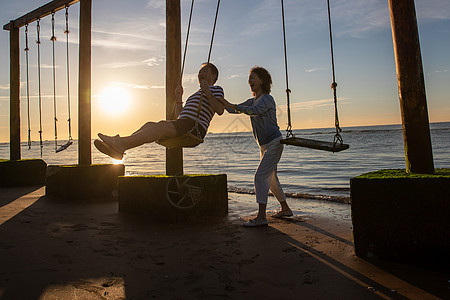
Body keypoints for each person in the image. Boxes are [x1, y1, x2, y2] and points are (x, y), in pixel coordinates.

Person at [94, 63, 225, 160]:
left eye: (204, 71)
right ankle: (120, 148)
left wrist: (207, 91)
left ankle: (120, 143)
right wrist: (179, 97)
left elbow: (220, 110)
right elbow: (180, 114)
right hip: (183, 124)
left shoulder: (216, 89)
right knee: (149, 125)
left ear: (213, 76)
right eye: (200, 72)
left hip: (194, 128)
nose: (200, 74)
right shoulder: (195, 95)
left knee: (162, 125)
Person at [220, 66, 292, 227]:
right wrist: (218, 101)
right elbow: (235, 110)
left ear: (262, 80)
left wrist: (231, 104)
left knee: (260, 176)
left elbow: (253, 111)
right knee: (271, 179)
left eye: (253, 78)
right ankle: (285, 209)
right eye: (249, 78)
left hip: (274, 143)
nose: (250, 81)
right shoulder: (252, 100)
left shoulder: (267, 99)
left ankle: (261, 217)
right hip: (265, 146)